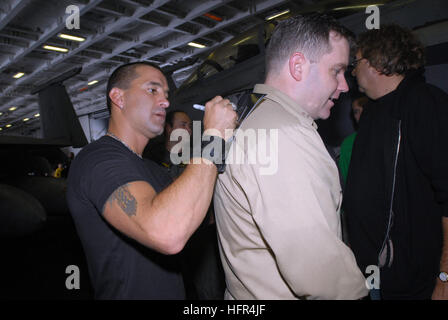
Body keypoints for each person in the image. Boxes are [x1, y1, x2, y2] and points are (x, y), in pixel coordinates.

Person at [213, 14, 368, 300]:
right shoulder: (284, 134)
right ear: (297, 66)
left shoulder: (260, 120)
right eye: (336, 70)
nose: (345, 85)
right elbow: (320, 271)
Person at [66, 61, 237, 299]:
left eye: (166, 94)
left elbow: (198, 216)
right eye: (152, 90)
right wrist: (214, 136)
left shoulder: (152, 170)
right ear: (119, 98)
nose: (166, 101)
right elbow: (167, 232)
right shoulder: (99, 159)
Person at [344, 24, 448, 300]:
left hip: (418, 281)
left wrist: (445, 276)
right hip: (375, 276)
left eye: (357, 62)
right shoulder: (373, 112)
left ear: (378, 62)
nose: (352, 71)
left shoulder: (425, 103)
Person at [144, 110, 226, 299]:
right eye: (183, 125)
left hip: (202, 240)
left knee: (209, 291)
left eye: (190, 126)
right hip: (169, 244)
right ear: (168, 128)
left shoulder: (197, 160)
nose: (188, 130)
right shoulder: (152, 163)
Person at [338, 95, 368, 184]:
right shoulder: (349, 143)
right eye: (356, 111)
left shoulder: (389, 136)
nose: (361, 115)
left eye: (365, 109)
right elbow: (344, 178)